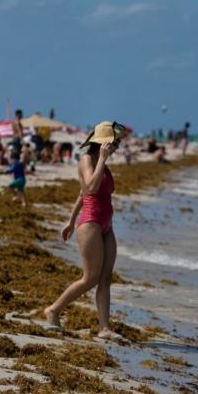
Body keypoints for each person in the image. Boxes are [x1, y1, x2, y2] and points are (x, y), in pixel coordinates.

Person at [43, 121, 125, 339]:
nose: (116, 146)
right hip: (90, 223)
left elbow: (81, 194)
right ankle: (53, 310)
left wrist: (69, 221)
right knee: (90, 278)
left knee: (106, 277)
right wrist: (103, 160)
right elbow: (89, 188)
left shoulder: (102, 163)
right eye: (114, 142)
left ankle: (104, 328)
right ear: (102, 142)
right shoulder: (87, 159)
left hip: (107, 224)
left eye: (117, 142)